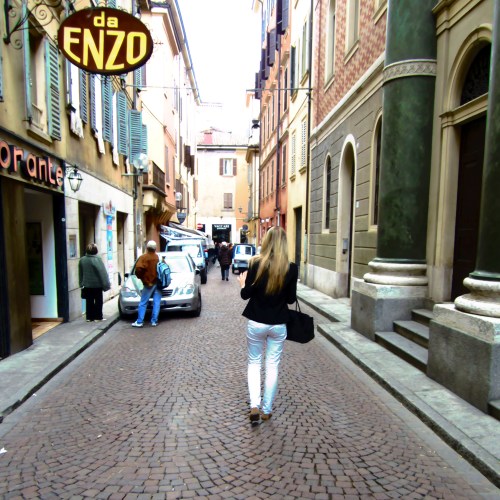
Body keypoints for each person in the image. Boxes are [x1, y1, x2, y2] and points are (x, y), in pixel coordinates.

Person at [238, 226, 298, 423]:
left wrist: (242, 284)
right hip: (278, 323)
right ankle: (266, 409)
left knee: (254, 363)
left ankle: (254, 405)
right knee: (272, 366)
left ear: (266, 241)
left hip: (256, 321)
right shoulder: (291, 267)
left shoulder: (256, 263)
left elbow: (245, 295)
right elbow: (291, 300)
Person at [132, 240, 161, 328]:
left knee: (143, 302)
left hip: (149, 283)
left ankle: (140, 321)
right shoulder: (157, 257)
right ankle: (154, 321)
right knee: (156, 302)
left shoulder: (143, 257)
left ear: (147, 248)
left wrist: (142, 278)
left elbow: (138, 269)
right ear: (155, 248)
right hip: (158, 282)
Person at [79, 243, 111, 322]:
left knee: (89, 301)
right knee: (98, 301)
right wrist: (106, 284)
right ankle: (98, 317)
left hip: (87, 284)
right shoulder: (97, 259)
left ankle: (89, 317)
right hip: (97, 285)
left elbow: (80, 273)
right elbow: (102, 273)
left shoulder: (82, 260)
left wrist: (81, 283)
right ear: (95, 251)